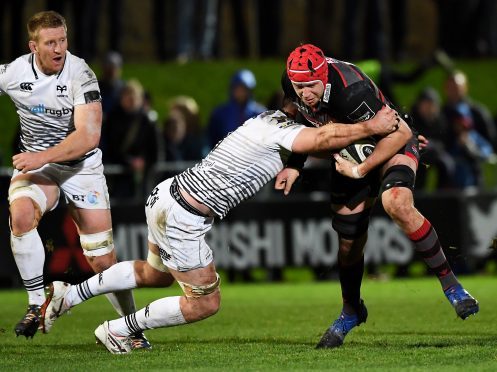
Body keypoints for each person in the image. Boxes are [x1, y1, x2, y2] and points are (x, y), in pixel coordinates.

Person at [41, 106, 400, 354]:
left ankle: (68, 296)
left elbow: (316, 142)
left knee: (154, 274)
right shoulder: (282, 131)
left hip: (167, 195)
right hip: (184, 215)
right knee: (205, 303)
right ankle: (120, 329)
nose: (318, 117)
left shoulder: (262, 121)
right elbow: (323, 140)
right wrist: (372, 129)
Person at [278, 44, 479, 349]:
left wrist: (360, 171)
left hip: (392, 142)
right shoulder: (293, 82)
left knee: (395, 202)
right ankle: (351, 310)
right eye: (298, 86)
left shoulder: (351, 91)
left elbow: (399, 132)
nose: (304, 93)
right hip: (350, 151)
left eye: (310, 86)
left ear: (324, 76)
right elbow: (291, 115)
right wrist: (294, 164)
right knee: (348, 245)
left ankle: (453, 287)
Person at [1, 11, 149, 349]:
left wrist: (39, 156)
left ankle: (129, 326)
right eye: (50, 42)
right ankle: (37, 303)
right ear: (32, 46)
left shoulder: (81, 74)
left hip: (81, 168)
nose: (58, 49)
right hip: (40, 168)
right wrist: (38, 160)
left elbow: (88, 138)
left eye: (62, 40)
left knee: (102, 261)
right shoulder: (13, 73)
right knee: (21, 215)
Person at [206, 69, 266, 149]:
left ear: (250, 90)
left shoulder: (261, 113)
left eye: (244, 89)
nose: (240, 92)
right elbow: (212, 139)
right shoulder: (219, 113)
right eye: (237, 88)